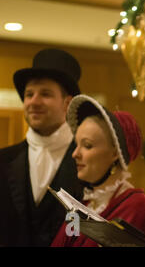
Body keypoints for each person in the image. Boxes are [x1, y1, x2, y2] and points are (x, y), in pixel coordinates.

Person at [51, 94, 145, 246]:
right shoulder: (85, 204)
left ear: (115, 153)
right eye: (76, 144)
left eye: (87, 145)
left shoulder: (136, 205)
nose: (75, 154)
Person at [0, 48, 84, 246]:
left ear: (67, 103)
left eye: (45, 94)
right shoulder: (2, 161)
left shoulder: (88, 162)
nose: (33, 102)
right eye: (29, 94)